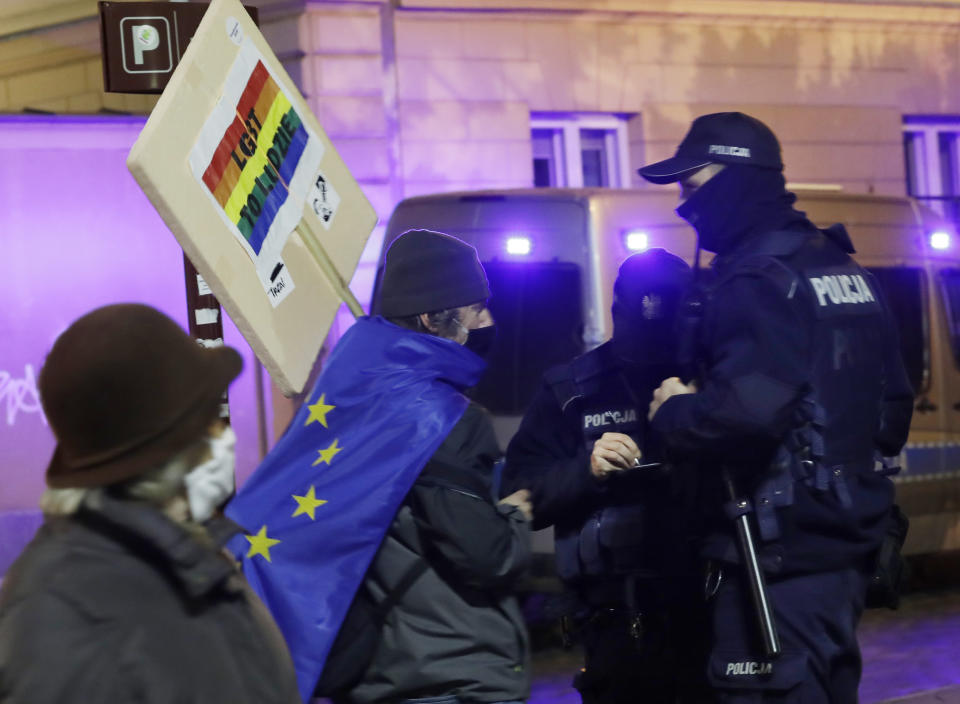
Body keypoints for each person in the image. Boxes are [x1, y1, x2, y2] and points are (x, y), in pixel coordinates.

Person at [640, 112, 914, 703]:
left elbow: (744, 415)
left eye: (692, 186)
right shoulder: (842, 267)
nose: (684, 205)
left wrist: (674, 411)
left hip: (774, 560)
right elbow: (892, 411)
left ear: (737, 178)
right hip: (846, 554)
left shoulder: (756, 280)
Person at [0, 303, 300, 704]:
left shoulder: (190, 555)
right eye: (207, 423)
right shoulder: (60, 618)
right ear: (163, 457)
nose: (225, 438)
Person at [501, 248, 710, 704]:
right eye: (640, 324)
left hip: (713, 605)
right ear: (618, 310)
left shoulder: (715, 381)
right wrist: (587, 469)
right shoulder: (572, 390)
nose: (651, 342)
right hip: (617, 616)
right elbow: (516, 495)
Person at [346, 229, 533, 704]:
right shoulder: (439, 417)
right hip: (451, 673)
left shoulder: (347, 404)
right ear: (433, 319)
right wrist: (515, 517)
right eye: (477, 310)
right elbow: (485, 556)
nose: (489, 321)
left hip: (379, 668)